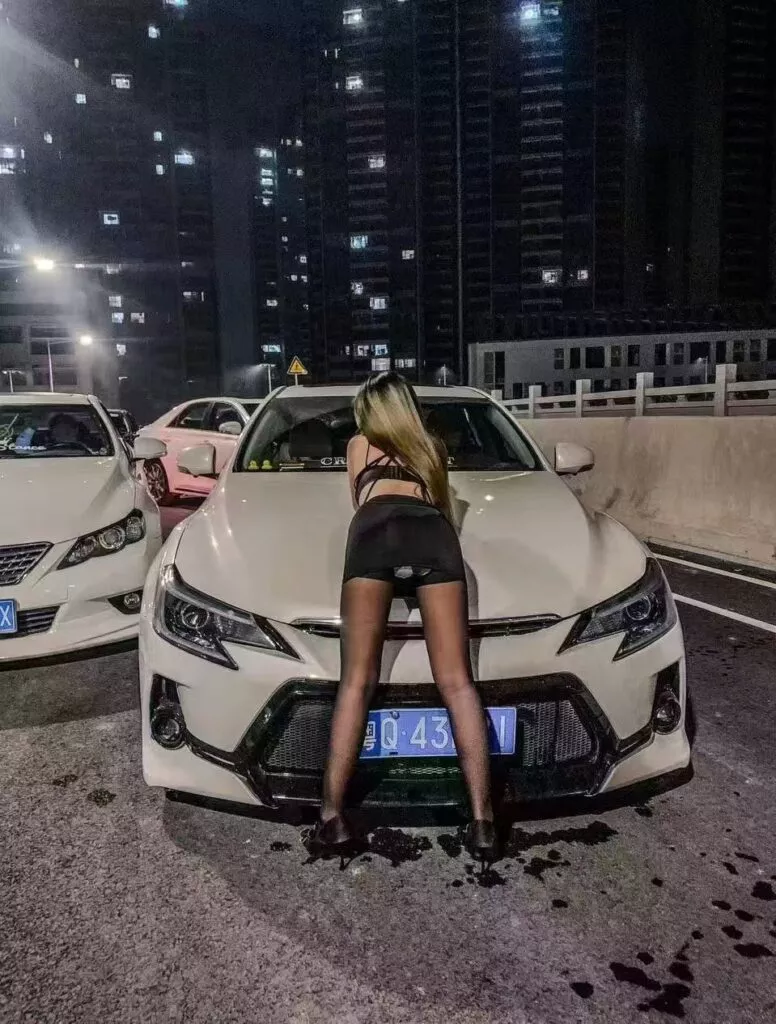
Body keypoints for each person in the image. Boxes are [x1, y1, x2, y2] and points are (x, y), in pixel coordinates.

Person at [307, 371, 497, 862]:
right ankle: (483, 822)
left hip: (375, 530)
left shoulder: (359, 445)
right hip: (433, 534)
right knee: (457, 682)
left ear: (368, 411)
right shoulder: (431, 448)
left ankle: (332, 818)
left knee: (357, 681)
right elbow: (443, 509)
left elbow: (361, 500)